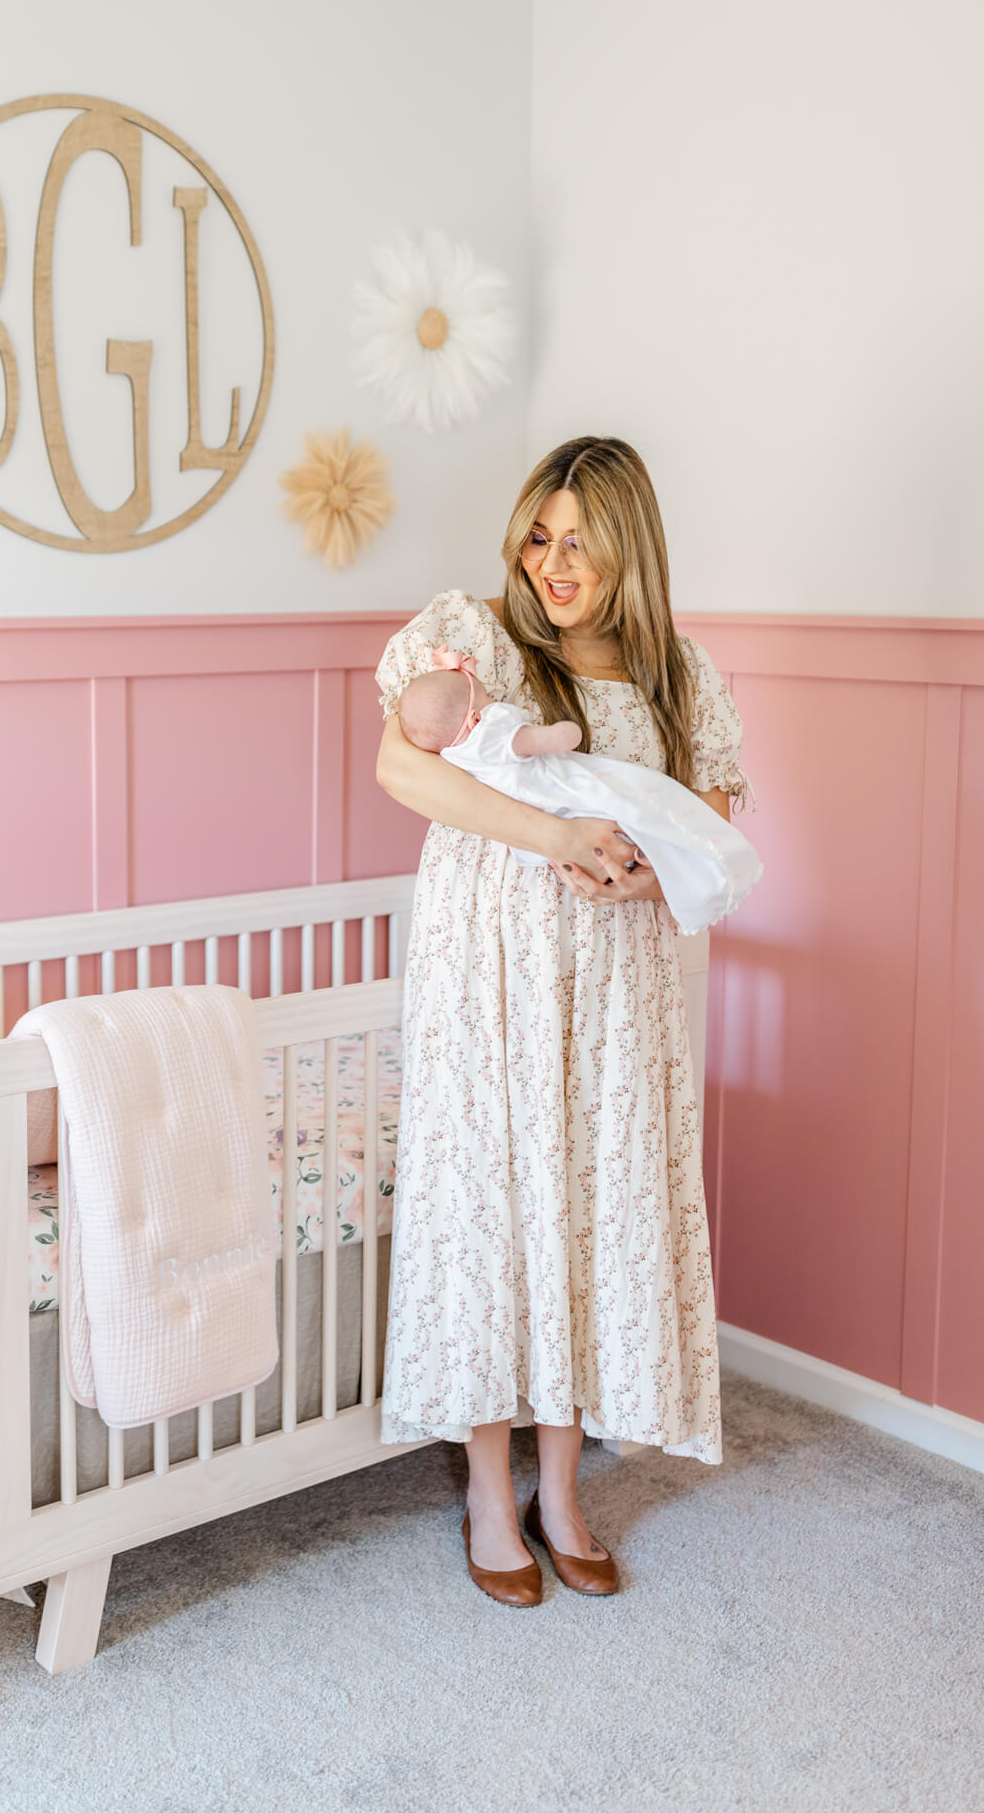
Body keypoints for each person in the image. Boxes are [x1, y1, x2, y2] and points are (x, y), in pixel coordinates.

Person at [375, 436, 753, 1605]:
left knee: (588, 1208)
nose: (554, 561)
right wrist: (554, 837)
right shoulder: (481, 634)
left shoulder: (677, 675)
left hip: (614, 987)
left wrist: (640, 873)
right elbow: (406, 767)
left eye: (579, 538)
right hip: (489, 972)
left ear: (625, 544)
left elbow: (714, 829)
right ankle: (490, 1491)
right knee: (495, 1206)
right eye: (539, 534)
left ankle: (563, 1483)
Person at [395, 653, 762, 936]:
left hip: (576, 907)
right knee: (635, 802)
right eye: (485, 695)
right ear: (473, 716)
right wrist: (562, 735)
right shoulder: (488, 731)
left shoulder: (453, 752)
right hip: (551, 810)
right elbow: (544, 740)